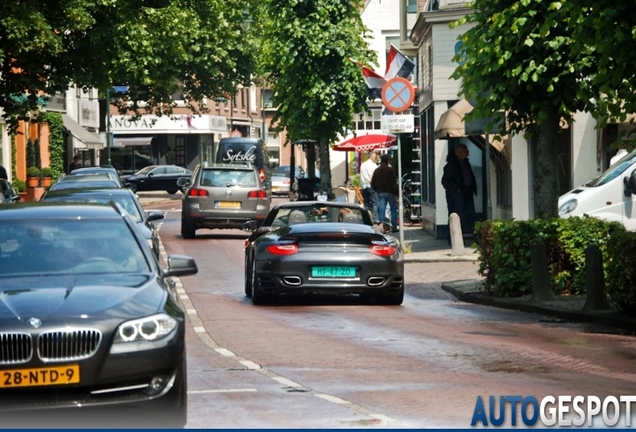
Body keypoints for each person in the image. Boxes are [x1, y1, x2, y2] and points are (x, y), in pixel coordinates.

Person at [442, 143, 477, 237]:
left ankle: (476, 235)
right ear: (460, 153)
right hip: (457, 194)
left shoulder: (466, 163)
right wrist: (456, 188)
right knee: (457, 214)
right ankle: (453, 238)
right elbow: (445, 181)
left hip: (467, 192)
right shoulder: (452, 164)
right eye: (466, 151)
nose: (468, 152)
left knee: (471, 214)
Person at [371, 154, 399, 233]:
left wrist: (377, 190)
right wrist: (397, 193)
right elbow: (394, 182)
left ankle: (383, 228)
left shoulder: (377, 170)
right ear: (387, 161)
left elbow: (372, 183)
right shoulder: (390, 170)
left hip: (381, 192)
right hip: (390, 192)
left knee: (382, 210)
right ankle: (394, 227)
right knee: (393, 209)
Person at [359, 151, 379, 223]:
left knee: (366, 203)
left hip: (364, 186)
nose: (375, 158)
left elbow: (361, 176)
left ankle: (366, 218)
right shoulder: (373, 165)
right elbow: (374, 176)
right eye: (375, 157)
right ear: (372, 157)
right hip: (371, 185)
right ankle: (375, 219)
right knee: (375, 202)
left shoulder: (363, 165)